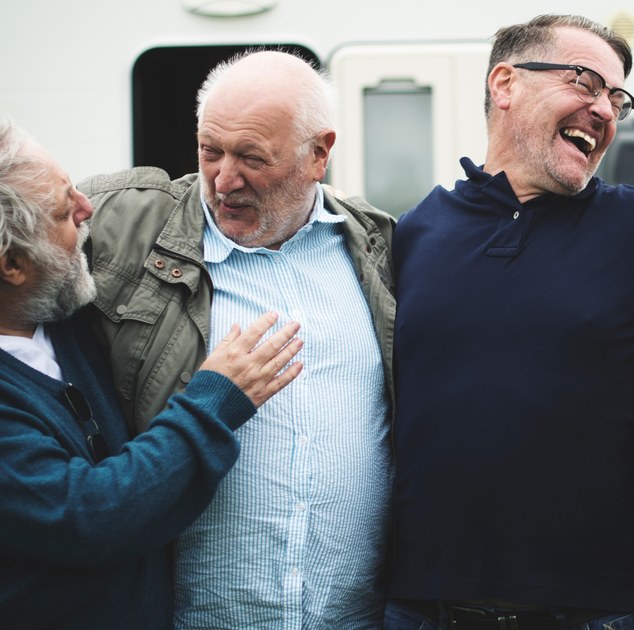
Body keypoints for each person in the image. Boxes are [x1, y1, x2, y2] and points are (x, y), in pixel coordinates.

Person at [385, 14, 634, 629]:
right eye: (586, 83)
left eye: (618, 100)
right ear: (505, 83)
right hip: (423, 606)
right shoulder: (416, 232)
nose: (606, 112)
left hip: (588, 610)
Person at [79, 50, 397, 627]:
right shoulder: (121, 229)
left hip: (352, 618)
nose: (224, 180)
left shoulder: (378, 248)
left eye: (252, 157)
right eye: (210, 151)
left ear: (319, 153)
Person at [0, 118, 304, 628]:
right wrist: (215, 400)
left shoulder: (61, 321)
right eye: (62, 209)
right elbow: (93, 517)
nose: (87, 207)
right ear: (11, 264)